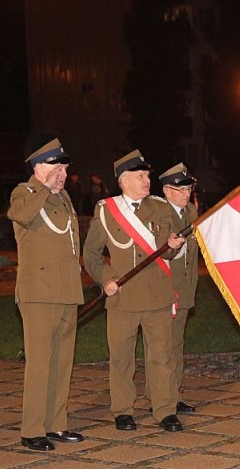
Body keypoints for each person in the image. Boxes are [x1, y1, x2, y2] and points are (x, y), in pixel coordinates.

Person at [83, 149, 186, 432]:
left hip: (157, 297)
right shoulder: (106, 210)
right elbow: (91, 255)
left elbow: (166, 253)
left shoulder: (160, 207)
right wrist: (105, 278)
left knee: (161, 356)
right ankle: (123, 410)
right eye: (140, 176)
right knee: (121, 359)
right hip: (123, 298)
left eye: (147, 175)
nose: (146, 180)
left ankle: (164, 410)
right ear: (123, 181)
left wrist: (172, 247)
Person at [7, 138, 84, 451]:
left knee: (62, 362)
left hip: (66, 291)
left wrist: (53, 187)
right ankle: (32, 430)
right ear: (39, 166)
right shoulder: (25, 192)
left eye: (64, 167)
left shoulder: (62, 196)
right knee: (39, 363)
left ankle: (56, 424)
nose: (62, 173)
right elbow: (22, 215)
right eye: (57, 166)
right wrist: (43, 185)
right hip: (38, 292)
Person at [144, 162, 198, 414]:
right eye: (181, 190)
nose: (186, 194)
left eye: (189, 189)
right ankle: (159, 396)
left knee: (176, 345)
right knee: (162, 347)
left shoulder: (192, 214)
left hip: (184, 289)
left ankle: (172, 394)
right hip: (164, 290)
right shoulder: (159, 213)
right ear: (166, 190)